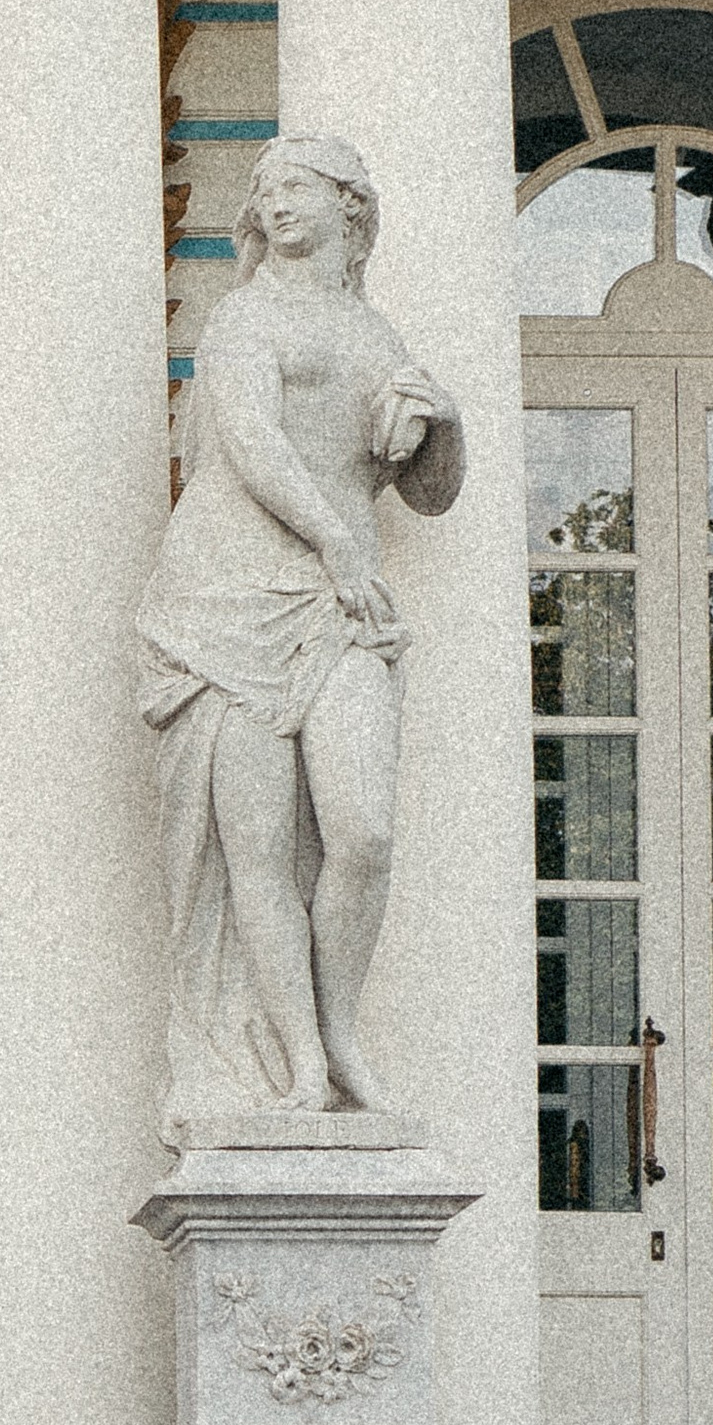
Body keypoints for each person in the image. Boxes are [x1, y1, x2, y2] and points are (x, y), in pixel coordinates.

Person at [136, 130, 465, 1135]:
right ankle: (298, 1071)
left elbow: (429, 493)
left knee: (361, 831)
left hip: (336, 601)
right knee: (258, 854)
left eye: (295, 187)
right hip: (229, 596)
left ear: (348, 205)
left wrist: (444, 426)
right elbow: (251, 444)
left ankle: (338, 1032)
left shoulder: (377, 338)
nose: (274, 203)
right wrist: (337, 546)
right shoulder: (245, 318)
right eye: (263, 190)